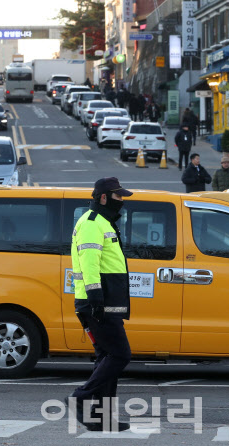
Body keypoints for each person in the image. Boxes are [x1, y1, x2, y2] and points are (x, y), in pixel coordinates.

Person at [68, 177, 133, 432]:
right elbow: (89, 262)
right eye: (119, 197)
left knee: (107, 356)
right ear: (104, 197)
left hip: (104, 302)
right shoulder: (92, 224)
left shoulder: (103, 222)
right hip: (97, 303)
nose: (122, 202)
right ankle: (80, 397)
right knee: (119, 354)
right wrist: (95, 298)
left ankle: (102, 417)